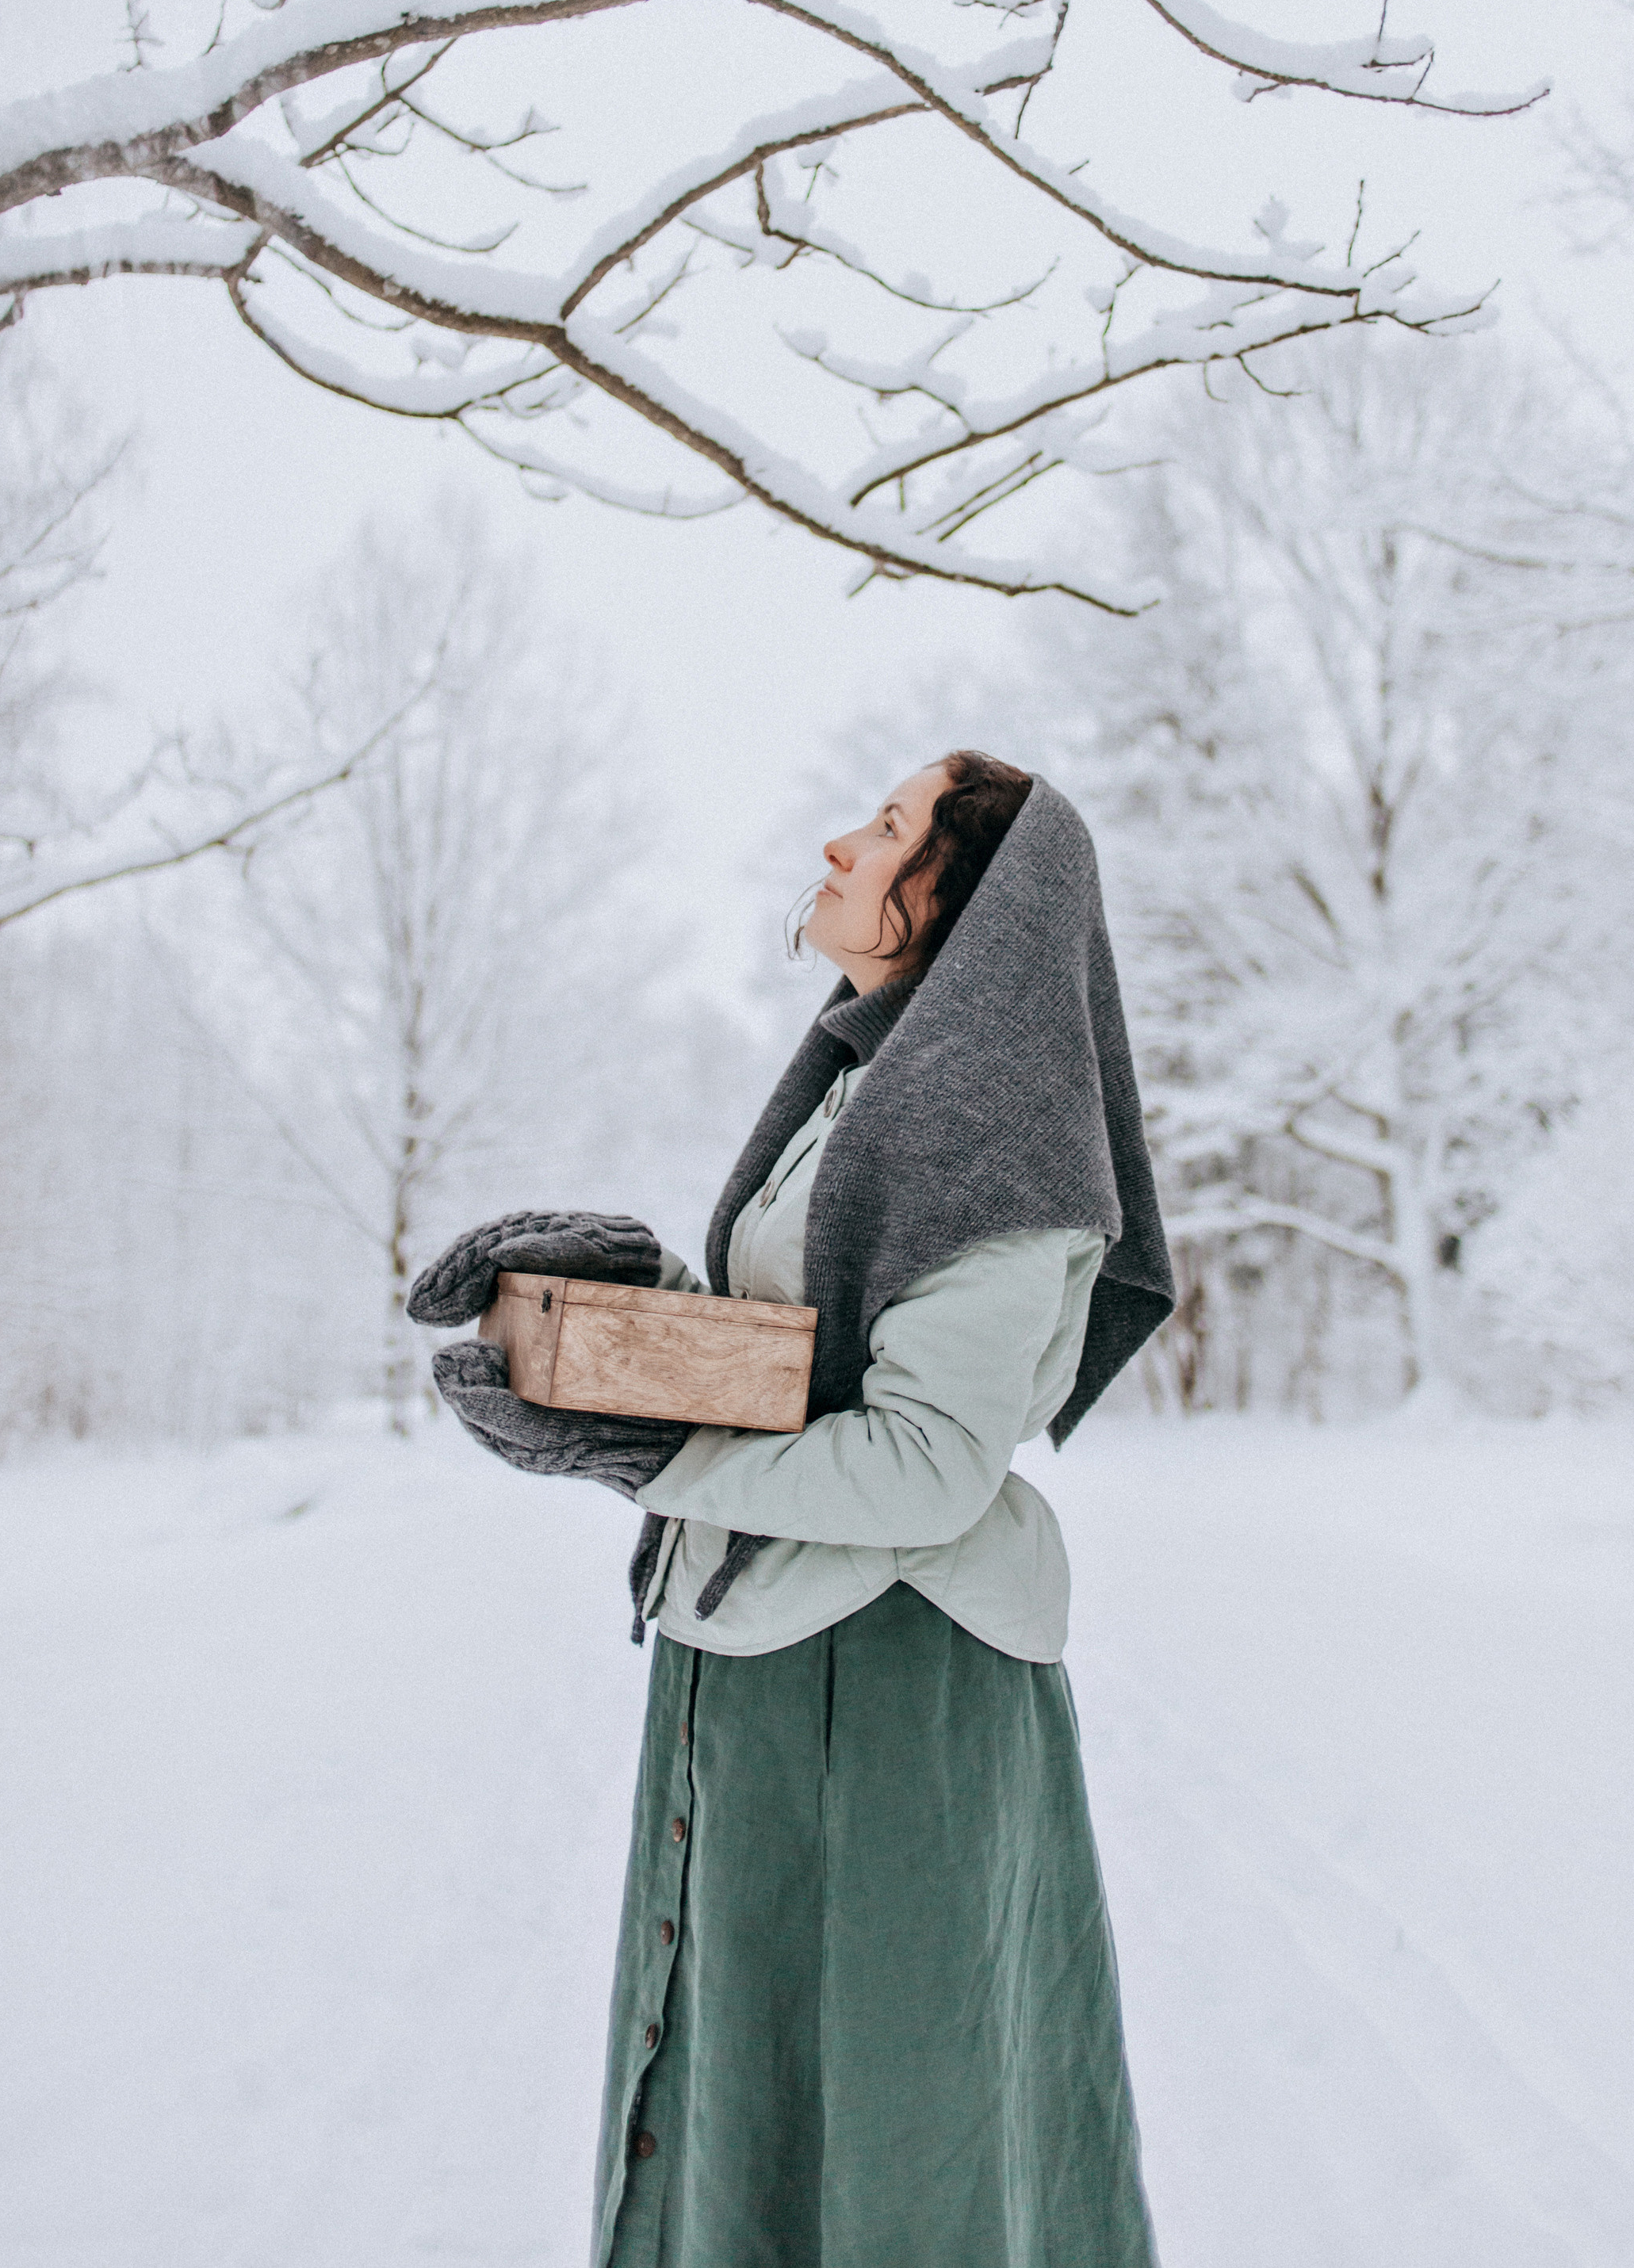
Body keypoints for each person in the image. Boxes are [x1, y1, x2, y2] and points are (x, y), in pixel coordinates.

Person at [410, 752, 1174, 2268]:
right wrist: (622, 1300)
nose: (838, 842)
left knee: (903, 2122)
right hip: (763, 1651)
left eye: (885, 830)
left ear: (970, 903)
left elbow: (922, 1463)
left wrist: (642, 1458)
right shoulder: (872, 1087)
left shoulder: (996, 1131)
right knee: (743, 2091)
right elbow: (807, 1360)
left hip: (886, 1689)